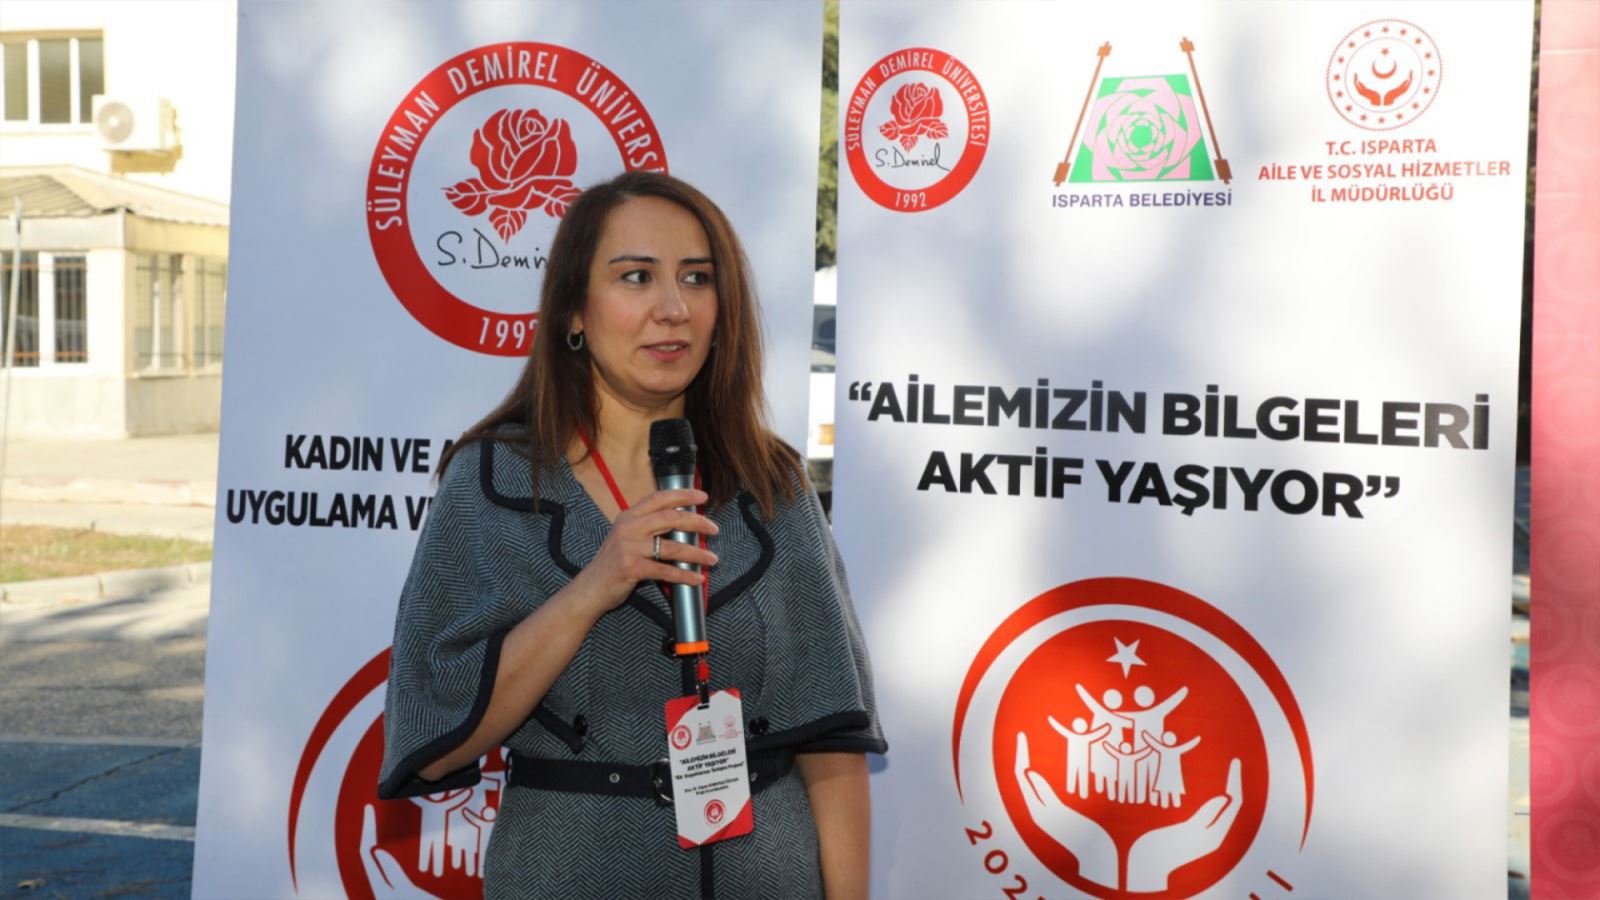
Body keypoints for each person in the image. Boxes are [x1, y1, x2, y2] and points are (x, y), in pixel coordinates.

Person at [377, 171, 885, 899]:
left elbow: (831, 744)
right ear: (574, 311)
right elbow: (434, 737)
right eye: (636, 277)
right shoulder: (492, 480)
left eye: (697, 279)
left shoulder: (772, 480)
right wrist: (594, 586)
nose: (673, 308)